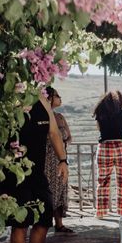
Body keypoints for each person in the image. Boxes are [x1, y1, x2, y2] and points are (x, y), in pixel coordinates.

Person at [0, 91, 69, 243]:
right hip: (14, 173)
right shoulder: (10, 98)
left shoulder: (42, 100)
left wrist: (63, 160)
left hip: (37, 172)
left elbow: (54, 132)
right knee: (21, 223)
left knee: (44, 218)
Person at [93, 91, 122, 218]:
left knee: (103, 181)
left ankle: (101, 212)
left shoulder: (100, 113)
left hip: (104, 147)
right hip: (120, 148)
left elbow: (100, 130)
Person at [44, 87, 74, 233]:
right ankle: (43, 223)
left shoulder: (60, 117)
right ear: (48, 98)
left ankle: (59, 224)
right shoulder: (42, 116)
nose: (60, 98)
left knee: (61, 189)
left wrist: (64, 144)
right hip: (46, 160)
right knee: (48, 191)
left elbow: (69, 136)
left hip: (60, 159)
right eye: (57, 96)